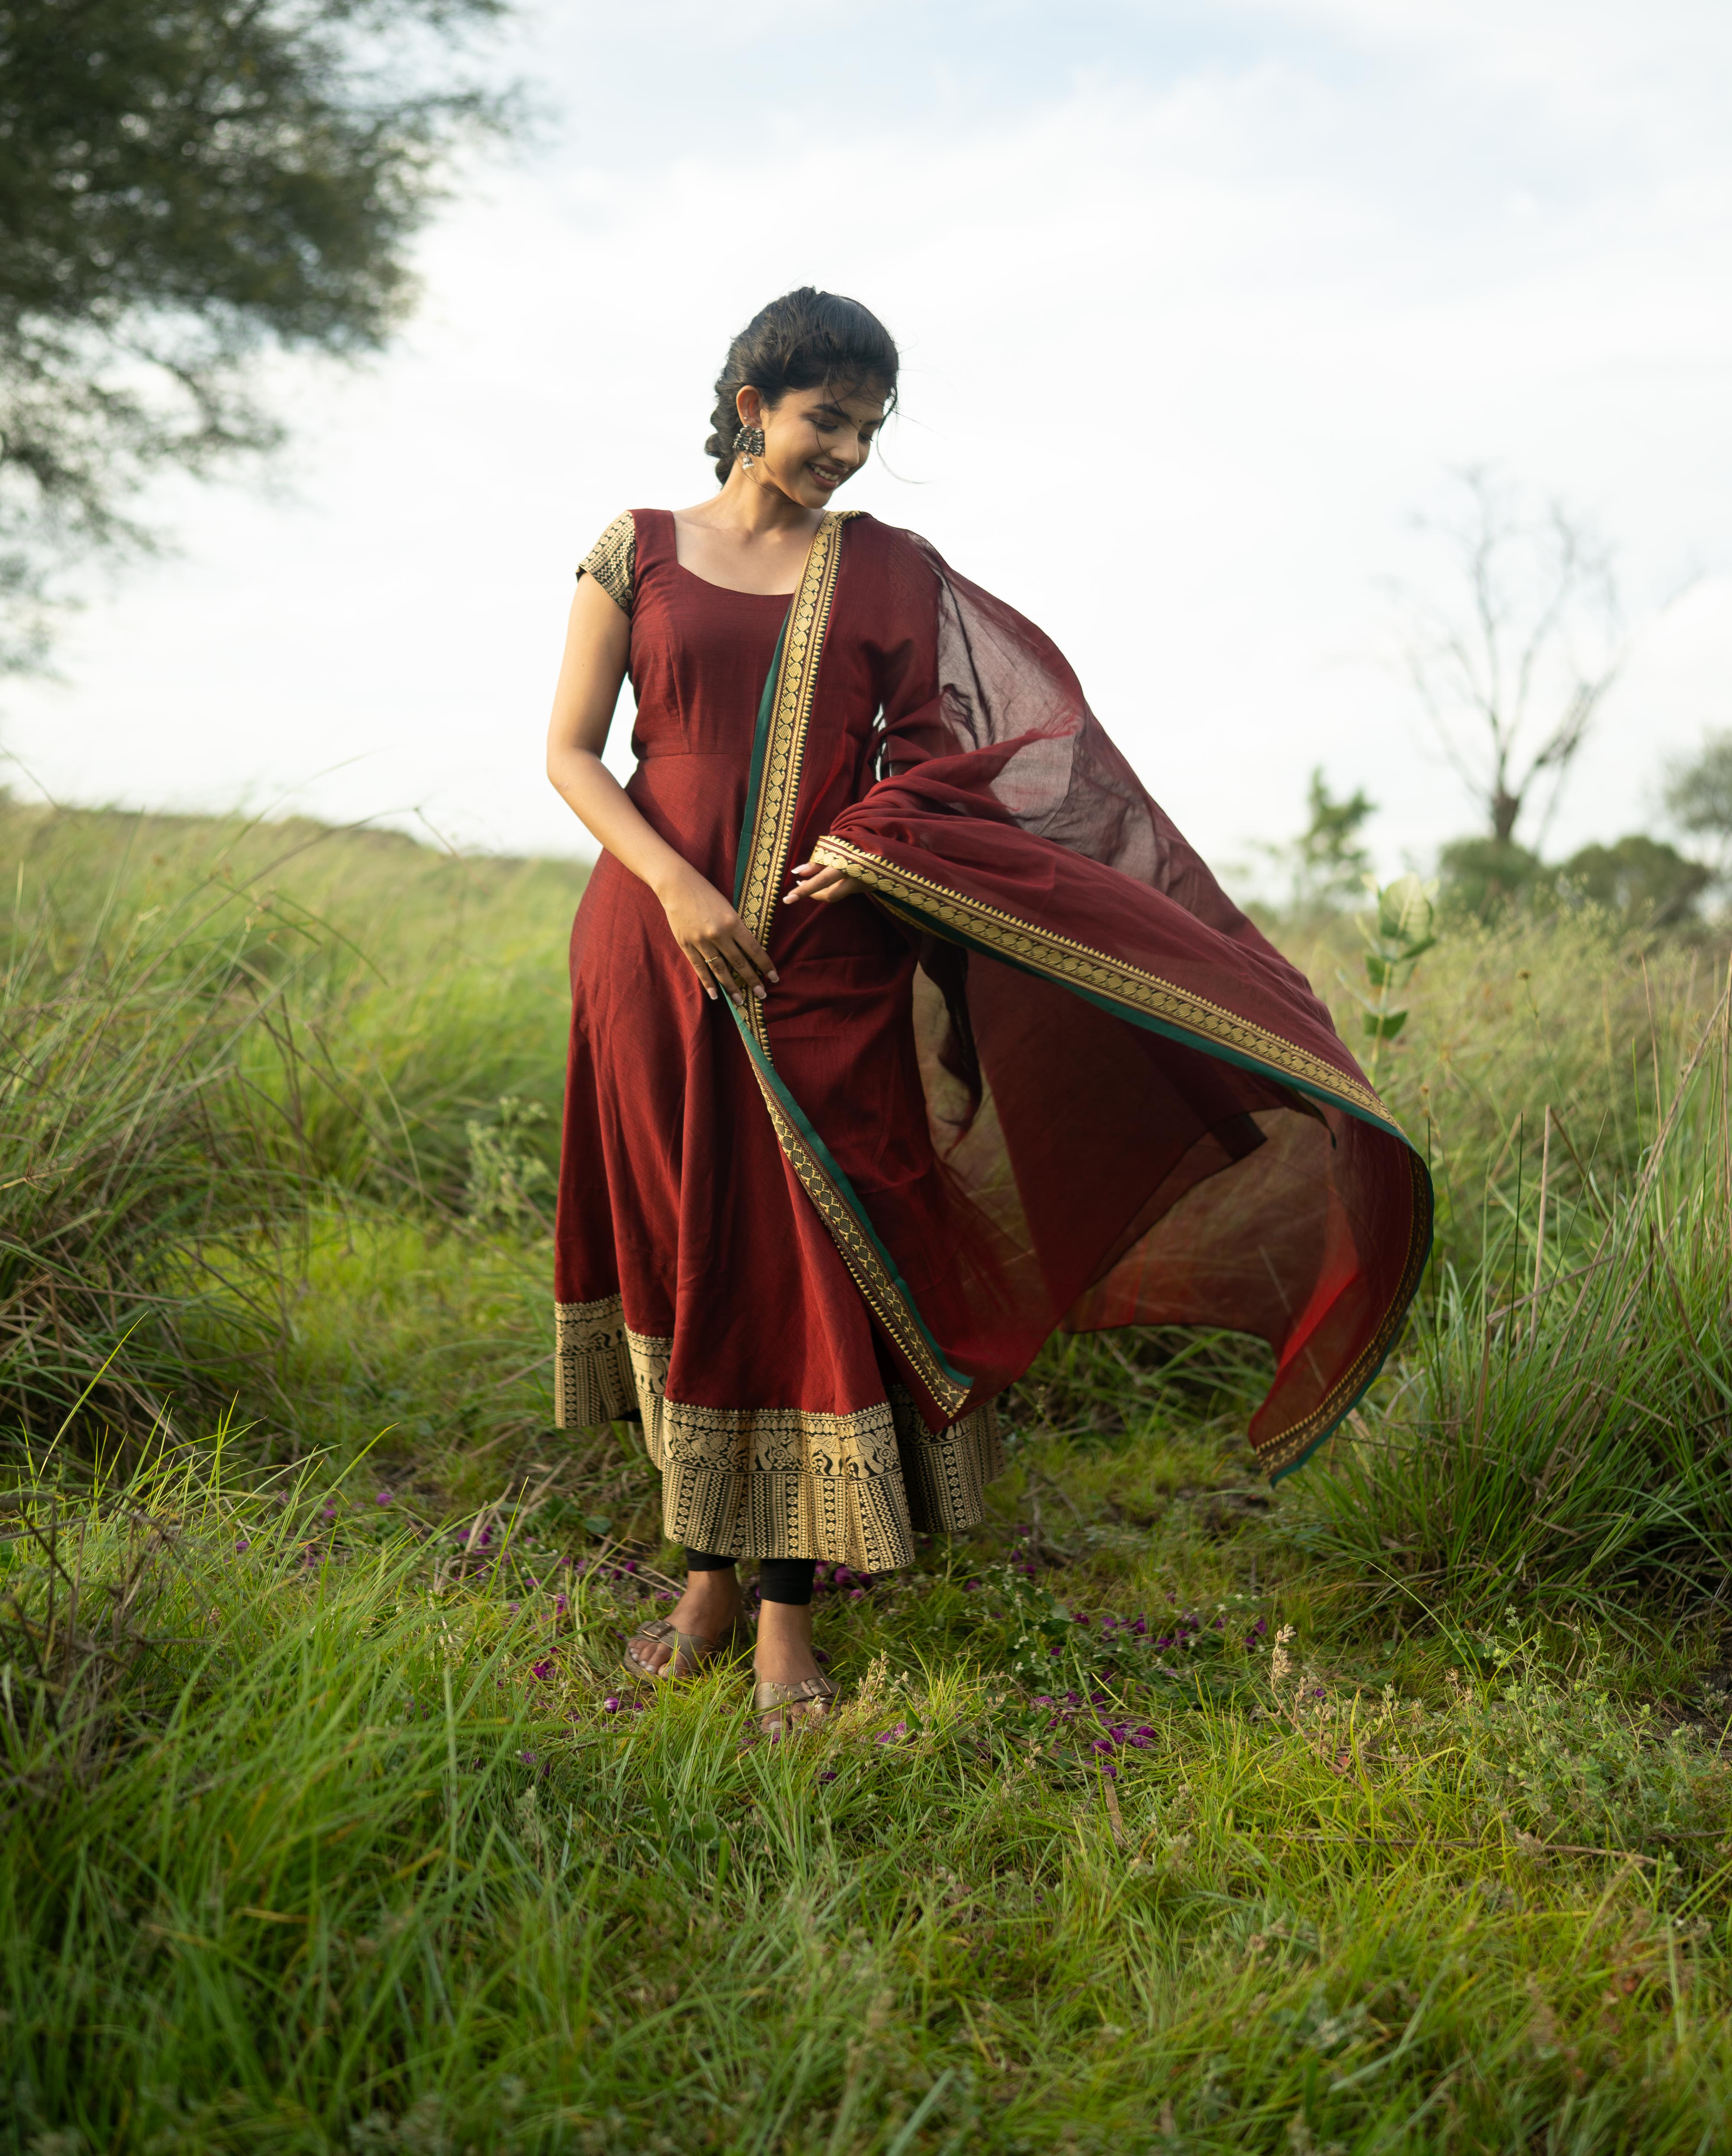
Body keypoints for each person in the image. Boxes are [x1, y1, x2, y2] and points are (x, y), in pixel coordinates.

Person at [546, 286, 1430, 1736]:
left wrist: (866, 842)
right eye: (829, 418)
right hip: (647, 949)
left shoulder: (888, 572)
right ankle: (702, 1581)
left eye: (872, 430)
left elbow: (945, 764)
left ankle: (782, 1618)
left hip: (826, 962)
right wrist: (678, 891)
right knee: (690, 1248)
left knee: (808, 1264)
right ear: (754, 399)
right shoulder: (634, 550)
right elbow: (575, 755)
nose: (849, 451)